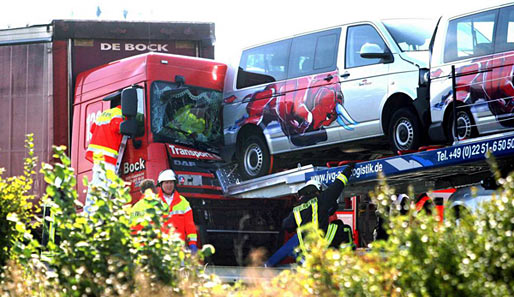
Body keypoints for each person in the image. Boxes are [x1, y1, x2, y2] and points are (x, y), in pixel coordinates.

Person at [282, 163, 354, 254]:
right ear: (316, 190)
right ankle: (348, 255)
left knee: (336, 224)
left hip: (307, 249)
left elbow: (286, 225)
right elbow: (337, 186)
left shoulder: (297, 209)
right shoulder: (320, 199)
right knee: (345, 229)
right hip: (322, 242)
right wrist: (348, 170)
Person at [84, 105, 124, 214]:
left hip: (97, 157)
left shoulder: (104, 114)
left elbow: (92, 129)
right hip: (108, 157)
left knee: (95, 187)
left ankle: (90, 213)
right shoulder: (118, 114)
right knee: (103, 189)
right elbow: (118, 128)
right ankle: (96, 215)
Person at [157, 169, 198, 253]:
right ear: (161, 184)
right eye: (166, 182)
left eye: (171, 182)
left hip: (179, 248)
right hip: (160, 249)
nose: (169, 185)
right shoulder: (154, 202)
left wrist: (192, 243)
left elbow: (189, 225)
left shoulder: (183, 202)